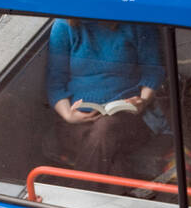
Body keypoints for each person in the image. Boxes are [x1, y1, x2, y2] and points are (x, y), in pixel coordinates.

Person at [46, 18, 165, 175]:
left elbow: (153, 71)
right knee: (106, 150)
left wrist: (143, 101)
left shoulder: (137, 23)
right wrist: (68, 115)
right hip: (77, 119)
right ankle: (118, 195)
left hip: (127, 116)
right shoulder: (63, 25)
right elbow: (56, 80)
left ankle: (81, 195)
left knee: (104, 131)